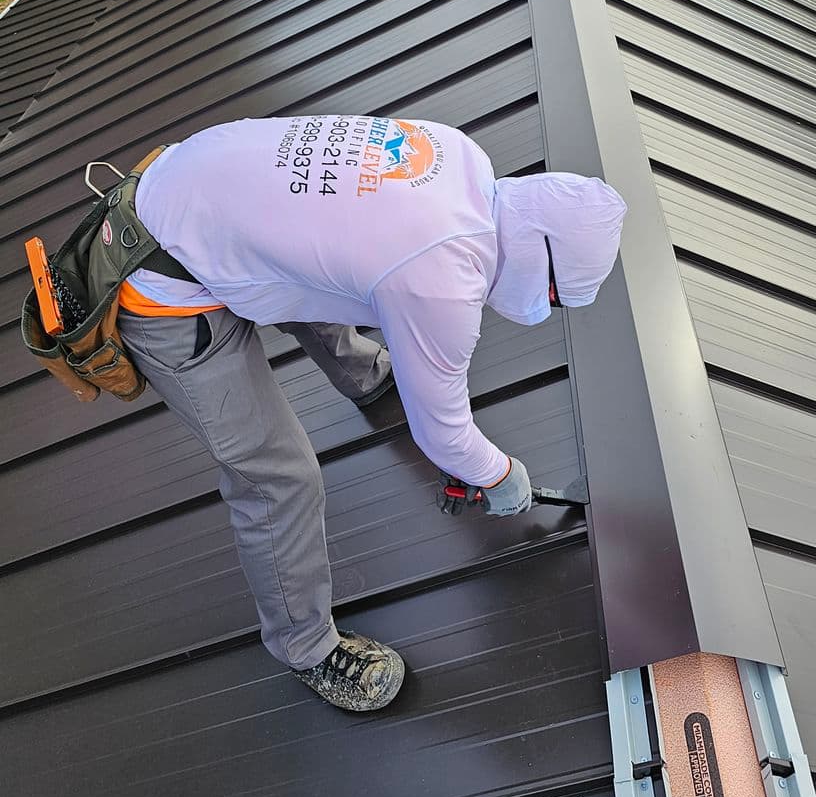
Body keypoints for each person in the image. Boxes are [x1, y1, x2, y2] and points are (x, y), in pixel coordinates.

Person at [116, 114, 627, 713]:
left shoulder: (461, 157)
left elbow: (344, 238)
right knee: (280, 479)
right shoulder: (443, 280)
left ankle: (364, 373)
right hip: (162, 278)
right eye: (555, 295)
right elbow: (444, 435)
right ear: (540, 257)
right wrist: (500, 476)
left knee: (328, 254)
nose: (547, 307)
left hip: (193, 178)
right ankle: (305, 645)